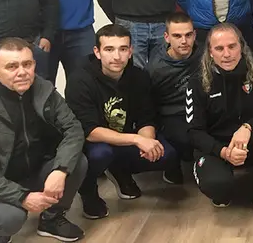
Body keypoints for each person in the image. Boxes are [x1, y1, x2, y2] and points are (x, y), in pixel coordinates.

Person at [0, 38, 87, 243]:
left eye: (27, 64)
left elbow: (73, 129)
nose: (22, 72)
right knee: (9, 218)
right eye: (12, 66)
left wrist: (60, 170)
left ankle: (51, 219)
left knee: (78, 162)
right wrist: (22, 197)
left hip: (37, 170)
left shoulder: (45, 91)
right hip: (0, 181)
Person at [66, 24, 179, 220]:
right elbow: (89, 130)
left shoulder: (139, 76)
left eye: (123, 49)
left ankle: (120, 171)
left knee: (165, 155)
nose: (117, 56)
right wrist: (136, 140)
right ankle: (88, 192)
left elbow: (147, 116)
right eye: (109, 49)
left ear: (130, 51)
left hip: (124, 137)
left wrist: (147, 142)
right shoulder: (80, 80)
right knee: (101, 154)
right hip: (92, 144)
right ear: (97, 52)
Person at [186, 23, 253, 218]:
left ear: (241, 47)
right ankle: (220, 186)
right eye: (219, 48)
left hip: (252, 141)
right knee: (218, 187)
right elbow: (194, 132)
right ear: (210, 52)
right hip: (217, 147)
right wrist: (223, 152)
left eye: (232, 46)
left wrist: (248, 127)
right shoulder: (197, 81)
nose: (227, 54)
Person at [146, 12, 202, 162]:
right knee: (186, 139)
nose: (184, 41)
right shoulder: (156, 67)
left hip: (200, 109)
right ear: (166, 37)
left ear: (194, 35)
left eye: (188, 35)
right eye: (177, 36)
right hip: (172, 114)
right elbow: (149, 104)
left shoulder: (205, 55)